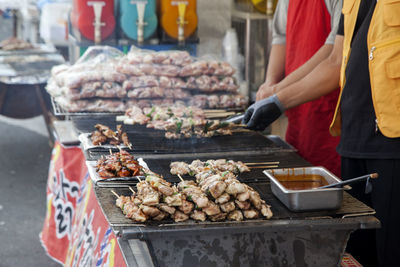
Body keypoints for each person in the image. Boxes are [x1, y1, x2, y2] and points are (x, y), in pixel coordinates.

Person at [243, 0, 400, 266]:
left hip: (391, 139)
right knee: (356, 253)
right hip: (352, 136)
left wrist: (278, 96)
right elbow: (336, 60)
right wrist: (277, 98)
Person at [252, 0, 343, 177]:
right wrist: (269, 84)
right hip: (295, 108)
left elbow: (334, 51)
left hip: (328, 109)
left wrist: (278, 92)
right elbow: (280, 38)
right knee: (298, 173)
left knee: (328, 183)